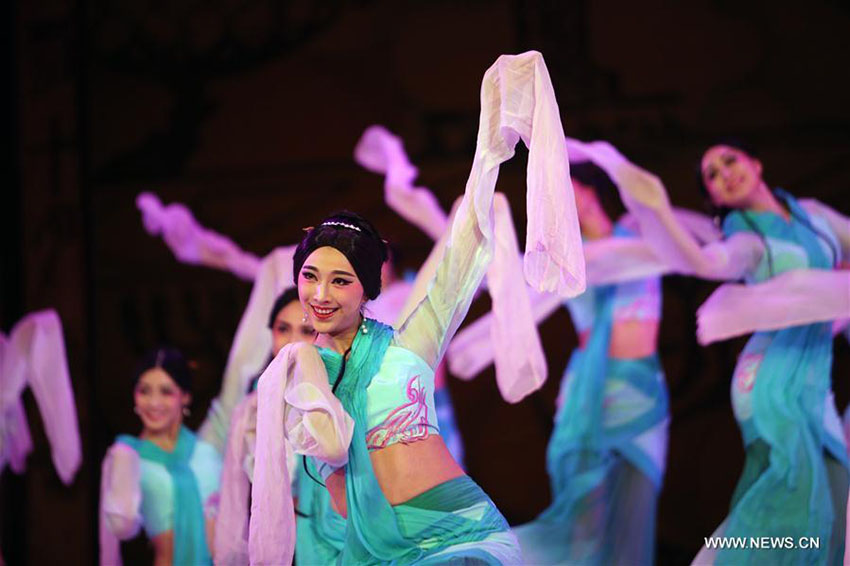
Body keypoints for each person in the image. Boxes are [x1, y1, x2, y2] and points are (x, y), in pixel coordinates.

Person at [249, 51, 586, 565]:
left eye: (340, 281)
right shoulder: (298, 373)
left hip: (460, 535)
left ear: (368, 289)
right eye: (310, 277)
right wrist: (304, 363)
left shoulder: (408, 346)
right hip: (374, 553)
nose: (320, 294)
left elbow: (464, 252)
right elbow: (332, 446)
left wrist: (488, 153)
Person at [567, 137, 850, 564]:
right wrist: (656, 208)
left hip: (813, 375)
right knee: (798, 504)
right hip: (771, 380)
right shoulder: (746, 241)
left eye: (729, 161)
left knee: (829, 500)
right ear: (715, 197)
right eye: (711, 176)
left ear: (756, 163)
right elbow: (706, 263)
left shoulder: (815, 216)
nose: (723, 174)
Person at [509, 161, 669, 565]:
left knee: (636, 505)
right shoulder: (563, 259)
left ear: (587, 188)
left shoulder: (638, 232)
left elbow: (659, 208)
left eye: (565, 189)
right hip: (585, 392)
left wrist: (600, 155)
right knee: (582, 516)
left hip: (639, 392)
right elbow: (510, 289)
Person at [100, 348, 222, 566]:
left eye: (166, 392)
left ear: (185, 397)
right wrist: (123, 461)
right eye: (144, 391)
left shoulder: (207, 453)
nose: (153, 402)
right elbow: (119, 529)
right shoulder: (127, 456)